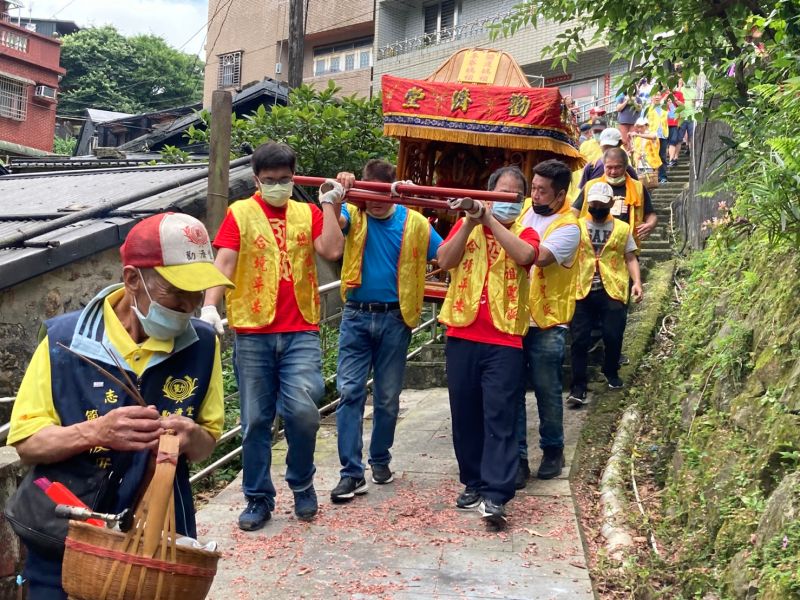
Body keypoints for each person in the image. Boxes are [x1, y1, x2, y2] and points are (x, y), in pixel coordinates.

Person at [6, 213, 233, 600]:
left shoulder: (203, 344)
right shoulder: (65, 342)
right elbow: (27, 442)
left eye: (198, 294)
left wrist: (191, 435)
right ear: (132, 279)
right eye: (176, 293)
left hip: (157, 538)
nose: (190, 306)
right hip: (67, 534)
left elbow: (207, 442)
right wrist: (95, 432)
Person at [201, 142, 345, 530]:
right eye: (270, 181)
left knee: (302, 411)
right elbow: (225, 261)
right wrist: (210, 305)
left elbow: (331, 249)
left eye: (285, 179)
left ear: (293, 177)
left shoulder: (307, 211)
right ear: (256, 180)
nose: (278, 186)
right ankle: (258, 498)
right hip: (253, 331)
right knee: (254, 420)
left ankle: (301, 482)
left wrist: (330, 204)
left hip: (300, 329)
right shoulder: (240, 213)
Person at [329, 160, 443, 503]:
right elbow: (332, 232)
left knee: (388, 397)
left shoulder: (416, 224)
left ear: (393, 190)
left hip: (396, 318)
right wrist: (335, 195)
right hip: (356, 315)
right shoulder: (353, 213)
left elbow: (447, 255)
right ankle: (351, 473)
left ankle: (380, 458)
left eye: (381, 192)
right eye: (368, 191)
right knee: (349, 392)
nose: (375, 200)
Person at [437, 166, 539, 527]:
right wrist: (468, 221)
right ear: (488, 192)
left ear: (521, 200)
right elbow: (444, 260)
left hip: (504, 338)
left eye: (513, 197)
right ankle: (473, 482)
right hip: (462, 333)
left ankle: (497, 494)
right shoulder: (466, 227)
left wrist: (490, 220)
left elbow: (525, 256)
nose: (505, 202)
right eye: (500, 194)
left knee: (500, 416)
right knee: (465, 415)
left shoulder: (525, 231)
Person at [514, 159, 581, 487]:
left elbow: (537, 257)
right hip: (512, 316)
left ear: (560, 194)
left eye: (542, 190)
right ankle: (518, 458)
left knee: (547, 390)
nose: (535, 195)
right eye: (533, 187)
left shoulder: (569, 226)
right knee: (511, 390)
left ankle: (553, 449)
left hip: (547, 323)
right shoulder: (524, 208)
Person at [568, 182, 643, 406]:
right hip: (582, 288)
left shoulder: (621, 228)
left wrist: (637, 282)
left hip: (613, 288)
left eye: (602, 203)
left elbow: (630, 257)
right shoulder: (577, 226)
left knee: (613, 334)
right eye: (594, 203)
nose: (597, 207)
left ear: (611, 203)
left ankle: (611, 370)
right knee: (579, 340)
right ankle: (578, 387)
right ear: (588, 204)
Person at [575, 147, 658, 246]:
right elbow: (574, 211)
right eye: (609, 167)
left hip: (625, 243)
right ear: (604, 166)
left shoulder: (638, 187)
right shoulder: (591, 186)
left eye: (618, 167)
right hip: (591, 243)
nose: (613, 172)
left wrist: (650, 224)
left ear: (626, 166)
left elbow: (650, 214)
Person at [646, 93, 670, 183]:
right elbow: (643, 120)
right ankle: (653, 177)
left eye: (659, 95)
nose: (657, 97)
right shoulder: (648, 108)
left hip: (663, 134)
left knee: (662, 156)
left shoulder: (664, 108)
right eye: (655, 95)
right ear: (652, 97)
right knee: (653, 155)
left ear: (661, 97)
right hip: (652, 136)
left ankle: (663, 176)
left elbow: (672, 116)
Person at [666, 88, 685, 167]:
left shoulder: (679, 94)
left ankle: (671, 159)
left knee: (673, 141)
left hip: (675, 122)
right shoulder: (662, 94)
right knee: (665, 143)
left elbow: (683, 106)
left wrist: (676, 100)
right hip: (664, 123)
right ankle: (667, 160)